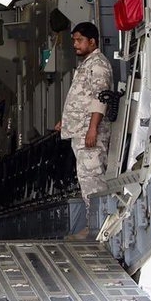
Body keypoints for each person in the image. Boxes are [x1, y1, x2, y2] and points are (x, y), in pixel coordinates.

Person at [54, 22, 113, 240]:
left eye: (79, 40)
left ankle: (98, 228)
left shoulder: (98, 65)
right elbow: (83, 98)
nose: (75, 45)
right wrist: (66, 121)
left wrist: (93, 129)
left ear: (92, 41)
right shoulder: (87, 64)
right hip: (80, 130)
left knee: (93, 180)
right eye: (74, 41)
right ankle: (94, 225)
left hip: (90, 133)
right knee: (86, 180)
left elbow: (100, 98)